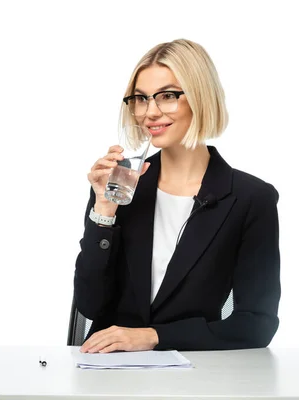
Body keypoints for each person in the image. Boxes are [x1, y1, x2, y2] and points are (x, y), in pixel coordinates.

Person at [74, 38, 280, 352]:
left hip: (196, 374)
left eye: (167, 96)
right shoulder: (122, 186)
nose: (150, 112)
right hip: (112, 373)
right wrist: (104, 210)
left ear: (200, 97)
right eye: (141, 99)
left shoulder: (250, 199)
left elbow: (257, 324)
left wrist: (154, 336)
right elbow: (90, 305)